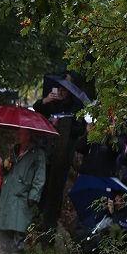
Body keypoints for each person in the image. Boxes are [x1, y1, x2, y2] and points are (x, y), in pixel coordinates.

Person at [33, 81, 87, 243]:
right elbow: (37, 109)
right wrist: (45, 101)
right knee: (42, 185)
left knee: (56, 189)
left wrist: (62, 123)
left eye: (65, 90)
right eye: (60, 89)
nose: (61, 92)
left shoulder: (75, 106)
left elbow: (79, 129)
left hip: (62, 155)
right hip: (47, 150)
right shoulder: (53, 103)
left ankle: (50, 222)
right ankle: (39, 215)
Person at [0, 128, 47, 254]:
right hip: (9, 189)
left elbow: (40, 176)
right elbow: (6, 171)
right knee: (5, 219)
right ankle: (5, 247)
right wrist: (4, 166)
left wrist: (34, 195)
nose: (18, 135)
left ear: (28, 135)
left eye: (21, 133)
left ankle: (18, 249)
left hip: (23, 191)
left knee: (19, 221)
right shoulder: (15, 150)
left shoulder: (37, 153)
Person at [75, 190, 127, 254]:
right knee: (83, 232)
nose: (117, 203)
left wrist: (113, 212)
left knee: (106, 232)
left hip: (119, 238)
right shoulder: (111, 207)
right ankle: (79, 250)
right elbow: (97, 219)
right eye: (116, 200)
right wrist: (105, 208)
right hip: (99, 233)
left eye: (120, 201)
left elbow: (122, 227)